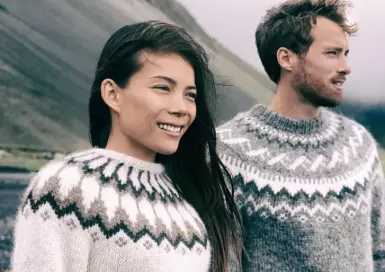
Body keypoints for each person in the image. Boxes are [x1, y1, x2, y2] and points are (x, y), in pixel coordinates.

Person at [10, 20, 243, 272]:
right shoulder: (65, 190)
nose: (182, 108)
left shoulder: (185, 201)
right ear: (112, 94)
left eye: (190, 95)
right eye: (163, 88)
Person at [216, 0, 385, 271]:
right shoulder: (230, 151)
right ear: (287, 58)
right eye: (332, 53)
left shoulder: (358, 145)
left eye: (346, 54)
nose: (346, 68)